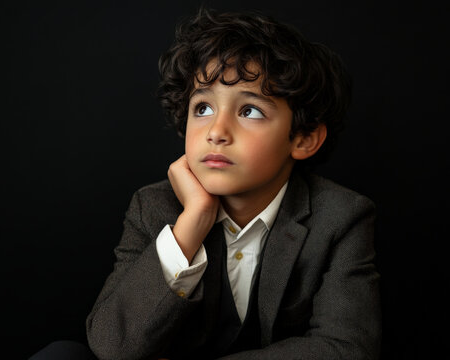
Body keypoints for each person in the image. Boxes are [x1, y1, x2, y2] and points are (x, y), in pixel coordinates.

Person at [85, 8, 381, 360]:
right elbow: (111, 345)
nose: (216, 132)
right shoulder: (152, 207)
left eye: (249, 111)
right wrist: (190, 226)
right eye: (203, 108)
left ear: (303, 139)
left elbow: (347, 347)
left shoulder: (340, 218)